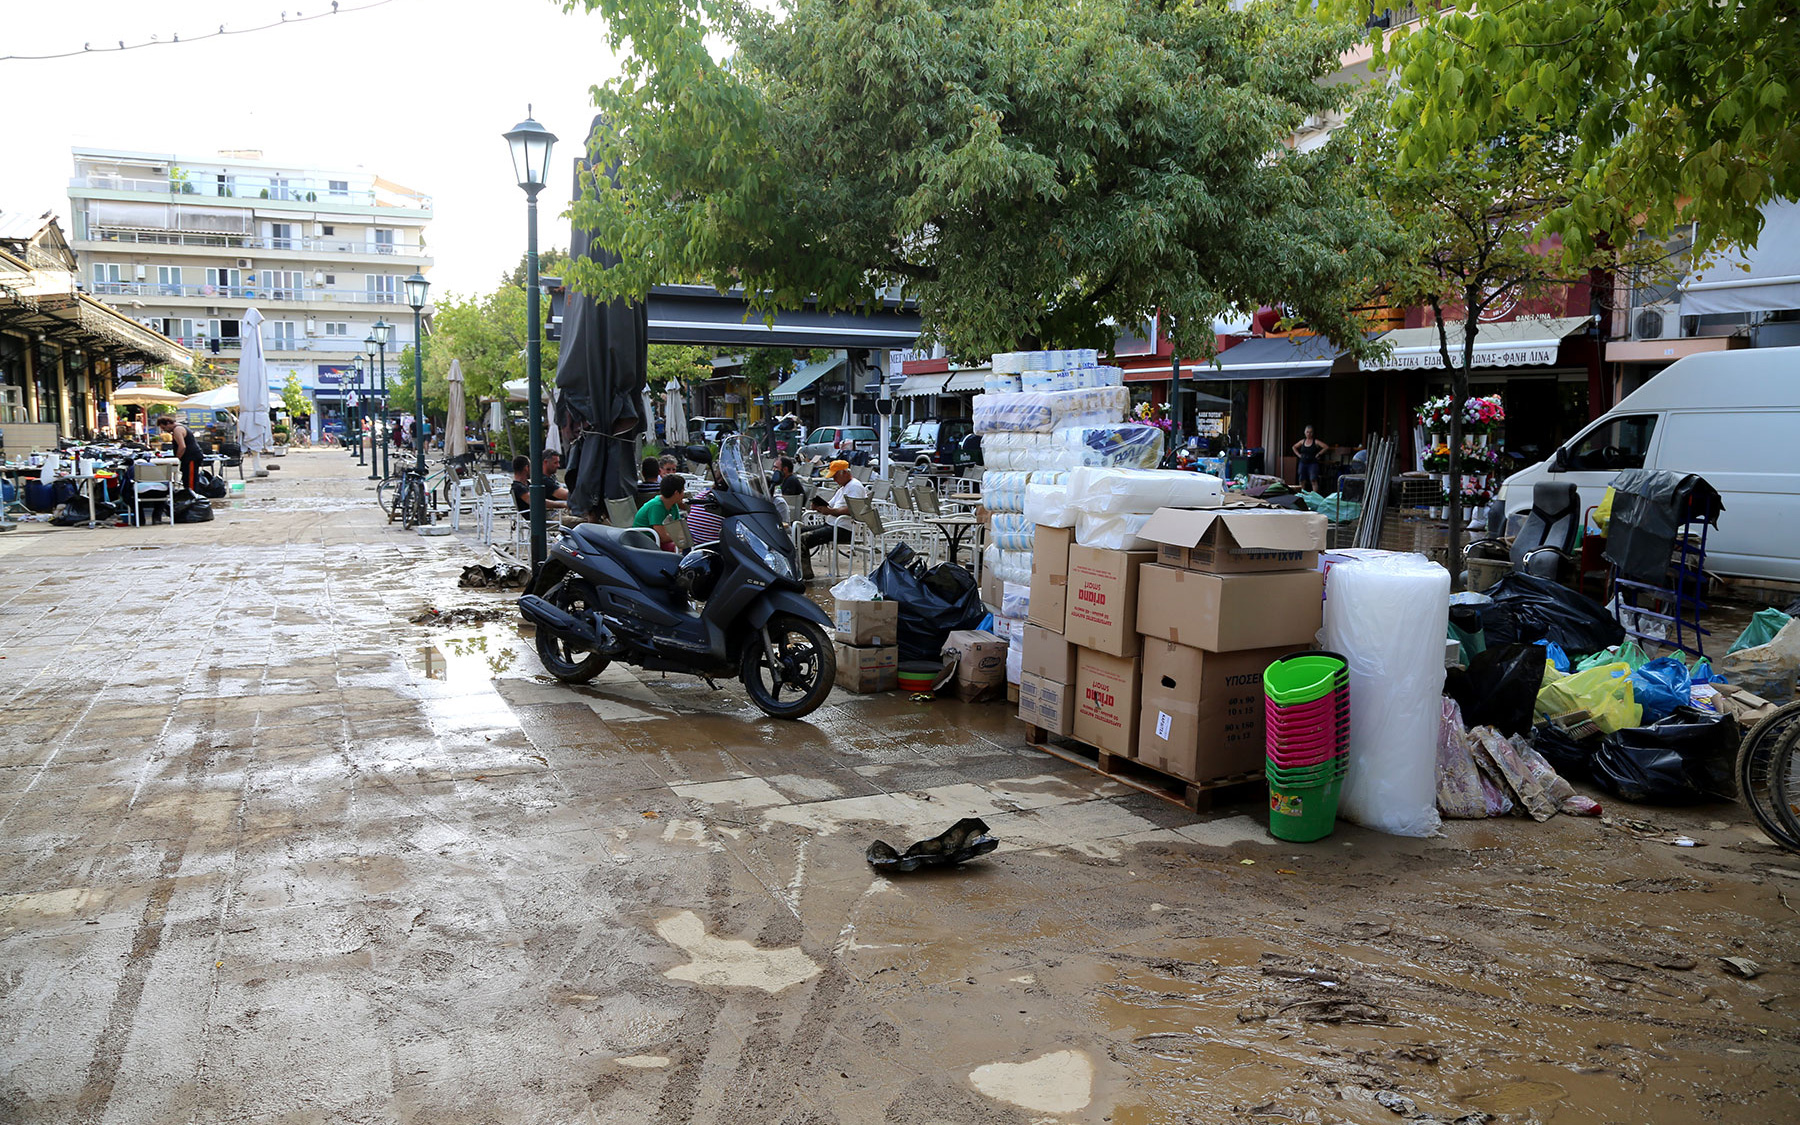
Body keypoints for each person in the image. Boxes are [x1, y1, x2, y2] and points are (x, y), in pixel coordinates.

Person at [800, 459, 865, 579]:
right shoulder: (842, 488)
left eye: (835, 476)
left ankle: (805, 574)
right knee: (798, 531)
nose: (834, 480)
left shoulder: (855, 486)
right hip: (832, 525)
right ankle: (799, 569)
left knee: (803, 539)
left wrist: (830, 512)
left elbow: (853, 510)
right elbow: (830, 505)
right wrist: (819, 507)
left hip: (843, 529)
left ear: (844, 473)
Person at [634, 474, 688, 551]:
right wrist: (681, 538)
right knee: (682, 548)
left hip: (657, 539)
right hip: (645, 541)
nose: (684, 494)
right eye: (683, 491)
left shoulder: (673, 504)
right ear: (676, 493)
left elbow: (677, 529)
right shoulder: (656, 506)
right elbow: (662, 537)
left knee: (686, 546)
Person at [155, 414, 204, 490]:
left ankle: (192, 496)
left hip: (191, 457)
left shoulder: (177, 430)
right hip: (189, 457)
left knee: (190, 480)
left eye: (164, 428)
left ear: (168, 423)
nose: (165, 431)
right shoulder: (179, 427)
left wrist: (177, 458)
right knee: (186, 478)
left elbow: (182, 446)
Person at [1292, 426, 1326, 491]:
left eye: (1310, 432)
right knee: (1302, 480)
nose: (1309, 434)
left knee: (1313, 480)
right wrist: (1298, 455)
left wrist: (1319, 454)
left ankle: (1315, 497)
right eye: (1307, 432)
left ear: (1312, 433)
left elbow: (1326, 447)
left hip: (1312, 463)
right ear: (1305, 433)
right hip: (1303, 462)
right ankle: (1302, 495)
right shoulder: (1302, 441)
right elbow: (1294, 447)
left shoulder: (1315, 441)